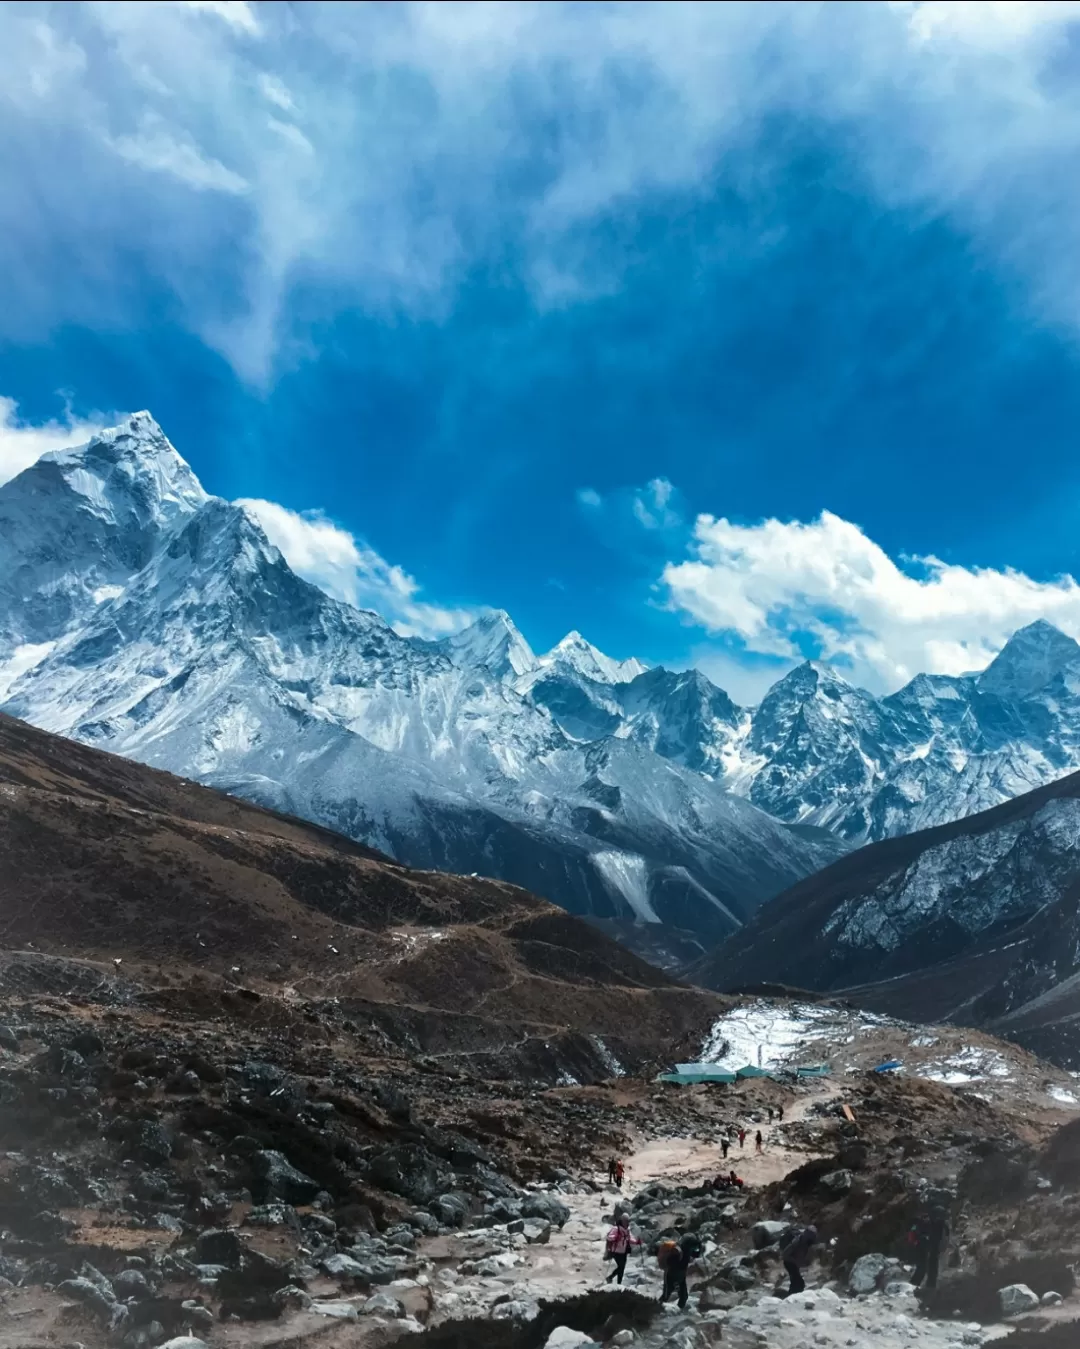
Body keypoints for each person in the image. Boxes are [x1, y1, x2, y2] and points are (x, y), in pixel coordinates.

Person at [909, 1205, 949, 1290]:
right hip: (922, 1246)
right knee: (923, 1267)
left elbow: (945, 1236)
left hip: (933, 1247)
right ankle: (913, 1286)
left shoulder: (942, 1224)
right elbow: (916, 1232)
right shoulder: (925, 1223)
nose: (939, 1219)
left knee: (931, 1266)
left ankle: (929, 1286)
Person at [660, 1233, 702, 1309]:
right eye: (692, 1245)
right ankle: (656, 1308)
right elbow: (670, 1263)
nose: (693, 1248)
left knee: (684, 1297)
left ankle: (678, 1311)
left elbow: (696, 1254)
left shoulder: (686, 1250)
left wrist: (700, 1245)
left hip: (681, 1276)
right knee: (666, 1296)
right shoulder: (676, 1250)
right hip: (671, 1276)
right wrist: (675, 1282)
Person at [780, 1224, 818, 1296]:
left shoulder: (805, 1242)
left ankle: (793, 1295)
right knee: (797, 1281)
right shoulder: (797, 1241)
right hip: (789, 1262)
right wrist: (795, 1261)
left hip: (793, 1263)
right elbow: (785, 1254)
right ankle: (792, 1296)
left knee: (797, 1281)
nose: (812, 1237)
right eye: (811, 1235)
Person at [604, 1212, 642, 1284]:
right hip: (615, 1251)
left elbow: (630, 1239)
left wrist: (637, 1242)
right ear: (622, 1220)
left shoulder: (627, 1230)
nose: (626, 1222)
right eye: (625, 1220)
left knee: (622, 1268)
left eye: (627, 1220)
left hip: (624, 1252)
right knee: (621, 1267)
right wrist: (615, 1237)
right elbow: (609, 1237)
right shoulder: (616, 1228)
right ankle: (611, 1278)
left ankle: (617, 1282)